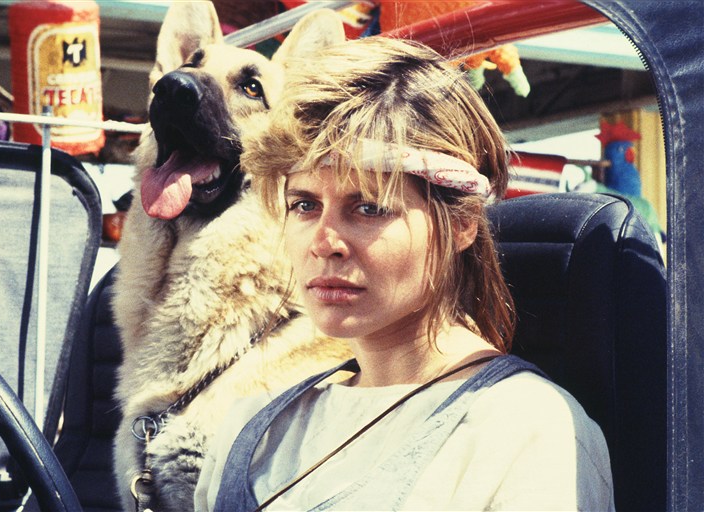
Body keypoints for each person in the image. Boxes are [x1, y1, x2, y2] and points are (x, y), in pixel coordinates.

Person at [194, 37, 614, 511]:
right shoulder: (253, 428)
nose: (323, 243)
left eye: (370, 207)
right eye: (305, 205)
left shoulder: (524, 431)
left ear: (462, 224)